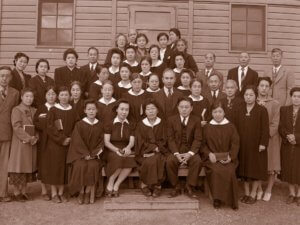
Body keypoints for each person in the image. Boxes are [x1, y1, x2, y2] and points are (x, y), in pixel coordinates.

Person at [235, 86, 269, 204]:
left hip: (256, 146)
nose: (248, 97)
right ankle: (247, 193)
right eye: (246, 95)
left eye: (251, 95)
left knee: (255, 170)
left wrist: (263, 143)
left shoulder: (261, 110)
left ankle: (253, 194)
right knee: (244, 171)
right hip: (243, 146)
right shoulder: (239, 109)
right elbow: (235, 128)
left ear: (256, 96)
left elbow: (265, 129)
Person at [202, 100, 239, 210]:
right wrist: (209, 154)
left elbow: (235, 143)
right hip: (212, 159)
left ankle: (231, 200)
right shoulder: (207, 127)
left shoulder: (231, 127)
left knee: (230, 171)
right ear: (211, 113)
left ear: (224, 113)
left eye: (220, 111)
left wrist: (230, 157)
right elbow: (202, 145)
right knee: (216, 170)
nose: (217, 114)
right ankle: (217, 199)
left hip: (227, 158)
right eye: (215, 112)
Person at [43, 86, 78, 203]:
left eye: (66, 95)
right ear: (58, 96)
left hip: (69, 143)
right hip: (55, 144)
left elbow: (77, 126)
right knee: (55, 169)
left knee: (64, 169)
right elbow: (50, 127)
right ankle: (54, 194)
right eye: (62, 95)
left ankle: (61, 193)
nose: (64, 97)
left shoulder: (73, 110)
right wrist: (62, 139)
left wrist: (71, 138)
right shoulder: (53, 110)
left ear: (70, 96)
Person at [67, 100, 104, 204]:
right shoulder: (79, 124)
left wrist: (93, 155)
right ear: (85, 111)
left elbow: (101, 142)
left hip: (94, 156)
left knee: (93, 166)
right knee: (80, 166)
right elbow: (77, 141)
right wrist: (85, 154)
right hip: (81, 155)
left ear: (97, 110)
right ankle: (81, 192)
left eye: (93, 109)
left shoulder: (100, 125)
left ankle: (88, 192)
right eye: (89, 109)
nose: (91, 111)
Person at [166, 97, 202, 198]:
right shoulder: (171, 120)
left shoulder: (196, 120)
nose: (184, 109)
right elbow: (170, 139)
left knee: (197, 161)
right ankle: (176, 186)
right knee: (169, 161)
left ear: (191, 108)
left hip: (190, 150)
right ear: (178, 108)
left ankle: (189, 186)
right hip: (176, 150)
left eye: (187, 107)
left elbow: (198, 139)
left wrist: (190, 153)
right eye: (182, 107)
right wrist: (176, 153)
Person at [8, 88, 38, 202]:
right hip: (21, 143)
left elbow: (38, 126)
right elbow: (16, 126)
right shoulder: (17, 110)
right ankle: (16, 192)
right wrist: (28, 138)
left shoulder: (34, 110)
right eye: (27, 96)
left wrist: (36, 137)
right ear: (21, 97)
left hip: (31, 143)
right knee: (19, 166)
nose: (29, 99)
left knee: (27, 167)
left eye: (31, 97)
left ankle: (24, 191)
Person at [135, 99, 168, 197]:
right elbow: (139, 141)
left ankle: (145, 184)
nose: (151, 111)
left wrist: (158, 148)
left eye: (153, 108)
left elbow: (166, 139)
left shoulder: (163, 123)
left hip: (160, 151)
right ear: (145, 111)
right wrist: (153, 148)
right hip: (144, 151)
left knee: (156, 159)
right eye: (148, 109)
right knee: (150, 160)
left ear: (157, 110)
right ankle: (157, 185)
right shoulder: (140, 124)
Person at [104, 99, 137, 197]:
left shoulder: (131, 124)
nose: (124, 112)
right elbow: (106, 142)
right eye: (122, 109)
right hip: (111, 149)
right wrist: (117, 150)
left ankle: (117, 185)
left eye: (126, 110)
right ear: (117, 110)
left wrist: (128, 148)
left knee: (130, 161)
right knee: (118, 159)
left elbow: (131, 141)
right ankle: (111, 182)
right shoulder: (109, 123)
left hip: (125, 148)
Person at [256, 77, 281, 202]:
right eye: (261, 85)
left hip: (271, 138)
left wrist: (265, 136)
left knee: (271, 165)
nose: (264, 88)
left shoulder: (275, 104)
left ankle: (269, 189)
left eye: (266, 86)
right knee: (257, 164)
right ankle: (259, 188)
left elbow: (275, 123)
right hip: (256, 138)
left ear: (269, 88)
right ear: (258, 87)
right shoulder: (252, 100)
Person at [33, 86, 57, 201]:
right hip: (43, 141)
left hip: (55, 141)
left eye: (53, 94)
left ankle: (54, 191)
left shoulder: (58, 108)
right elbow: (35, 123)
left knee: (54, 165)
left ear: (56, 95)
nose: (51, 96)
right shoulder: (41, 108)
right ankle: (43, 190)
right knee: (43, 165)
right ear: (45, 96)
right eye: (49, 94)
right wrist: (47, 126)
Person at [0, 66, 19, 202]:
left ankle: (3, 193)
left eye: (7, 75)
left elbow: (16, 112)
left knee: (4, 164)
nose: (4, 78)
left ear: (11, 78)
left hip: (7, 133)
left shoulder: (15, 93)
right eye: (1, 75)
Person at [279, 87, 300, 206]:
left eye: (299, 96)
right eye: (295, 96)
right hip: (287, 144)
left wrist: (296, 137)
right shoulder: (284, 110)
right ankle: (292, 193)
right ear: (291, 97)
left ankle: (299, 195)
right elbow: (280, 126)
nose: (297, 99)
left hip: (299, 145)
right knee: (289, 169)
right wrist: (288, 136)